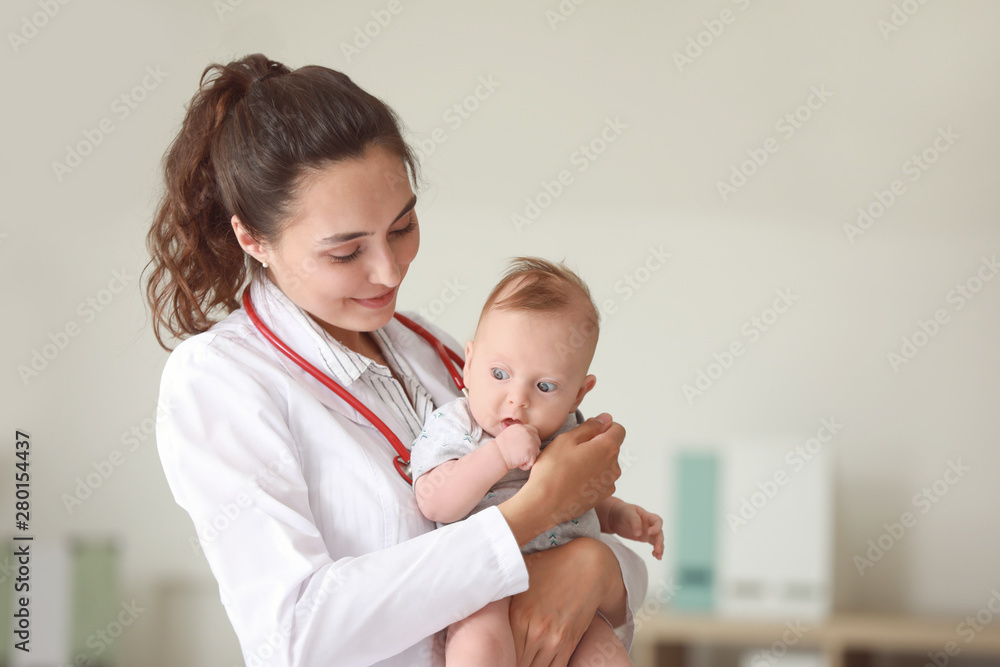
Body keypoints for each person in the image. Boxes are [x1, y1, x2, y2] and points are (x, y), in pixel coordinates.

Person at [144, 53, 647, 667]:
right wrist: (533, 512)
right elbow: (295, 638)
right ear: (254, 239)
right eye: (346, 251)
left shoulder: (435, 350)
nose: (388, 272)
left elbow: (608, 573)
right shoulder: (220, 381)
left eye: (403, 227)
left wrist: (593, 566)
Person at [410, 257, 664, 666]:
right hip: (483, 583)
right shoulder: (458, 425)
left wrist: (618, 515)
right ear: (469, 364)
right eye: (499, 374)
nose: (518, 398)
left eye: (545, 386)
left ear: (579, 395)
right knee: (478, 643)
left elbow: (580, 497)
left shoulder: (567, 432)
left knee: (607, 654)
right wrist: (497, 455)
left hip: (569, 594)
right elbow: (436, 502)